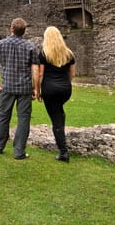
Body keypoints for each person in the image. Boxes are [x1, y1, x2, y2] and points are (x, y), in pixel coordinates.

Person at [0, 17, 38, 160]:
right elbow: (35, 70)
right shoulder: (30, 47)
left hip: (7, 86)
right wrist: (35, 88)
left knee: (3, 116)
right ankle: (19, 151)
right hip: (25, 88)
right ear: (24, 31)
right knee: (23, 119)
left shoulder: (0, 44)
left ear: (11, 29)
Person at [35, 26, 76, 162]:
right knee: (59, 112)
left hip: (50, 89)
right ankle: (62, 138)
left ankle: (63, 152)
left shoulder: (44, 54)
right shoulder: (68, 53)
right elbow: (72, 74)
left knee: (55, 119)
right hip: (65, 90)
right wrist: (65, 83)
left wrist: (38, 90)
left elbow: (40, 74)